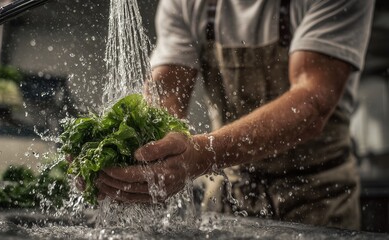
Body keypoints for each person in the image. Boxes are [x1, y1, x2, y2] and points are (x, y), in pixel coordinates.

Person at [92, 0, 374, 230]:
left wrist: (203, 154)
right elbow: (165, 95)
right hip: (230, 195)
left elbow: (312, 104)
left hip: (315, 198)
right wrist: (129, 158)